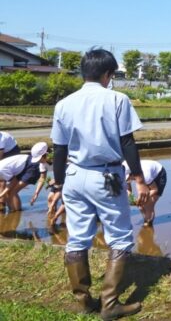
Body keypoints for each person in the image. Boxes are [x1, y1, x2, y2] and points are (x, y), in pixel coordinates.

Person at [50, 48, 148, 318]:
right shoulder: (117, 99)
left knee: (78, 236)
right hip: (106, 176)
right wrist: (139, 179)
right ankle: (110, 304)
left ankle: (84, 301)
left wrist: (57, 185)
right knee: (119, 235)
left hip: (73, 174)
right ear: (108, 74)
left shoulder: (64, 104)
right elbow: (127, 142)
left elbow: (58, 149)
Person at [0, 142, 49, 211]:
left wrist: (36, 193)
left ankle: (17, 213)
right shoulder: (41, 159)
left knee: (13, 191)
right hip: (23, 165)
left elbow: (13, 181)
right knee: (9, 192)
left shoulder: (1, 170)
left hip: (30, 168)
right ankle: (12, 211)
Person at [123, 159, 167, 227]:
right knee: (140, 206)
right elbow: (128, 189)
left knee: (148, 205)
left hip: (159, 174)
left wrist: (141, 198)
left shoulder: (145, 175)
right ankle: (146, 221)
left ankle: (148, 225)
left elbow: (155, 189)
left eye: (128, 178)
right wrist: (132, 200)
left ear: (132, 174)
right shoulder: (124, 171)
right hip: (145, 176)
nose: (127, 180)